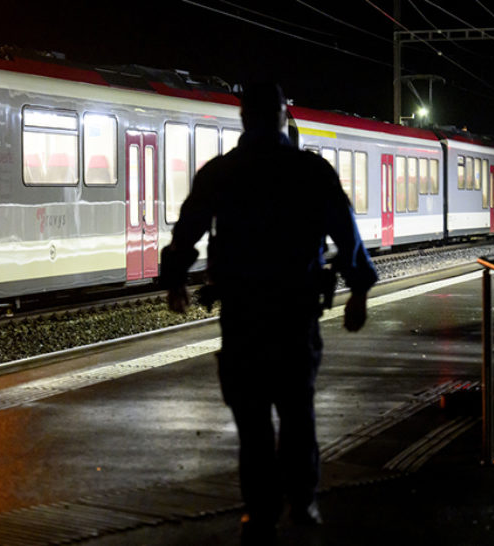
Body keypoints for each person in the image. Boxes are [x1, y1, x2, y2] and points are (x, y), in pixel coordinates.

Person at [160, 83, 377, 544]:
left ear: (243, 118)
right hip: (295, 314)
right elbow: (346, 232)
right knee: (298, 412)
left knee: (253, 420)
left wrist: (175, 276)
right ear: (283, 116)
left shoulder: (221, 173)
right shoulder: (310, 171)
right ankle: (303, 503)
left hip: (243, 316)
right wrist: (358, 290)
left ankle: (260, 513)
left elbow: (189, 226)